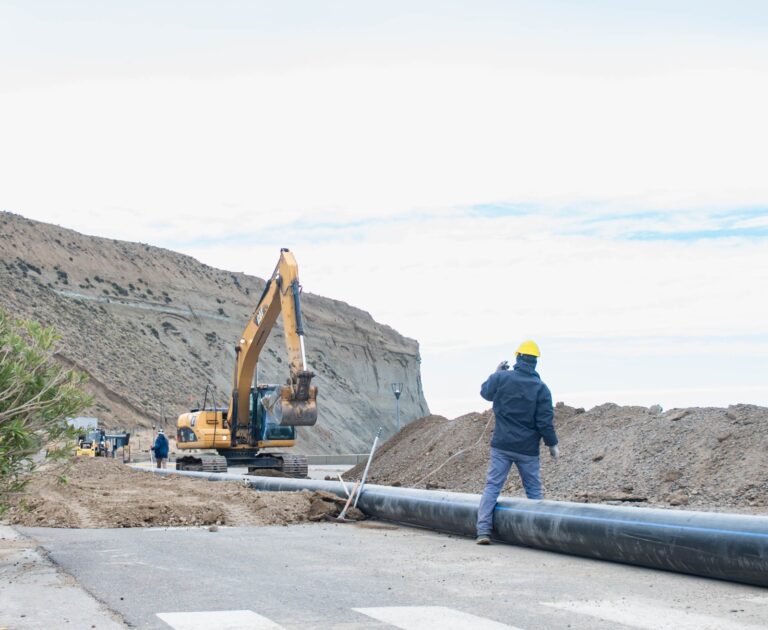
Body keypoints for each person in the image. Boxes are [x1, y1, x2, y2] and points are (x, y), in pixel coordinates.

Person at [476, 339, 559, 545]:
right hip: (527, 450)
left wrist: (495, 373)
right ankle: (538, 535)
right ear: (535, 362)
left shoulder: (502, 378)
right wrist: (552, 445)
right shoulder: (542, 388)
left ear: (518, 357)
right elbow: (544, 422)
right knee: (534, 491)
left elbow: (485, 393)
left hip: (502, 445)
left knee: (492, 487)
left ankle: (483, 532)